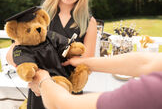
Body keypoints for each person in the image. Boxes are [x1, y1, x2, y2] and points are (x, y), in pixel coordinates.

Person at [5, 0, 103, 109]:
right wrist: (34, 73)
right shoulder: (37, 16)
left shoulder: (88, 22)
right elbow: (12, 54)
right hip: (40, 91)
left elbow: (87, 64)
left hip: (70, 95)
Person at [29, 51, 162, 109]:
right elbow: (145, 62)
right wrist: (84, 62)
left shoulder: (151, 92)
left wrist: (43, 81)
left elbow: (65, 105)